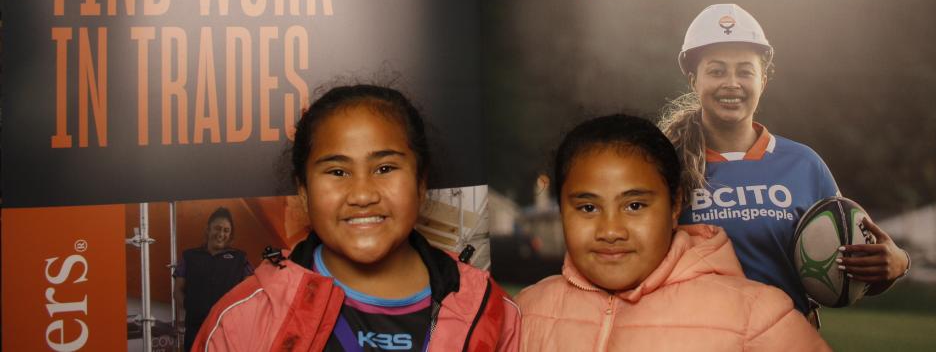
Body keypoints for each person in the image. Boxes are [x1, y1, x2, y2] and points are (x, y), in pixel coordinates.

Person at [193, 84, 520, 351]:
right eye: (337, 172)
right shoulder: (244, 318)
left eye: (385, 168)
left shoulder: (492, 313)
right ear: (303, 192)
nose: (362, 195)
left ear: (421, 184)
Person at [661, 3, 909, 315]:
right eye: (717, 71)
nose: (731, 83)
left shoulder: (804, 164)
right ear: (693, 80)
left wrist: (896, 263)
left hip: (787, 336)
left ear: (763, 80)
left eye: (745, 71)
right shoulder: (664, 165)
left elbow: (845, 271)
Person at [516, 114, 829, 351]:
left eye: (635, 205)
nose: (610, 231)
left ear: (675, 204)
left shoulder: (759, 318)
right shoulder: (524, 312)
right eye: (588, 208)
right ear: (561, 209)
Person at [173, 207, 253, 351]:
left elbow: (250, 292)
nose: (221, 234)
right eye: (217, 228)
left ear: (230, 235)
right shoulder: (189, 256)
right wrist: (190, 307)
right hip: (195, 328)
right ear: (208, 229)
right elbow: (177, 290)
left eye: (226, 230)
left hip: (228, 330)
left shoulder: (240, 258)